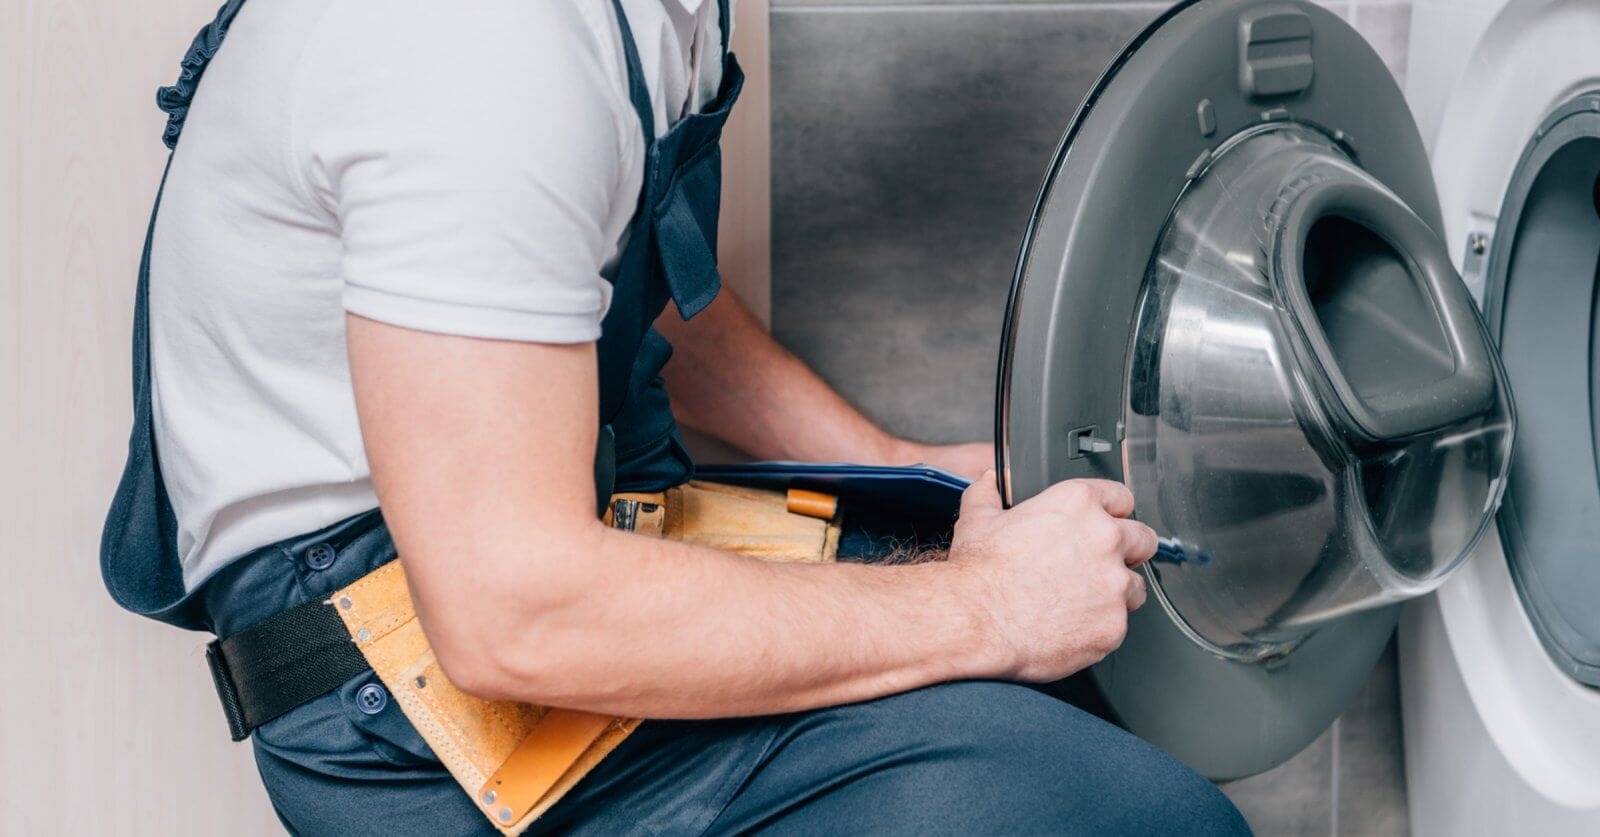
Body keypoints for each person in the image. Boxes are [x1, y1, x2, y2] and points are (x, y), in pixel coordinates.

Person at [102, 0, 1251, 833]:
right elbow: (513, 617)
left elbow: (590, 285)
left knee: (1084, 661)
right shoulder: (477, 45)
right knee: (1126, 820)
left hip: (543, 559)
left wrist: (899, 476)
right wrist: (990, 605)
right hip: (412, 709)